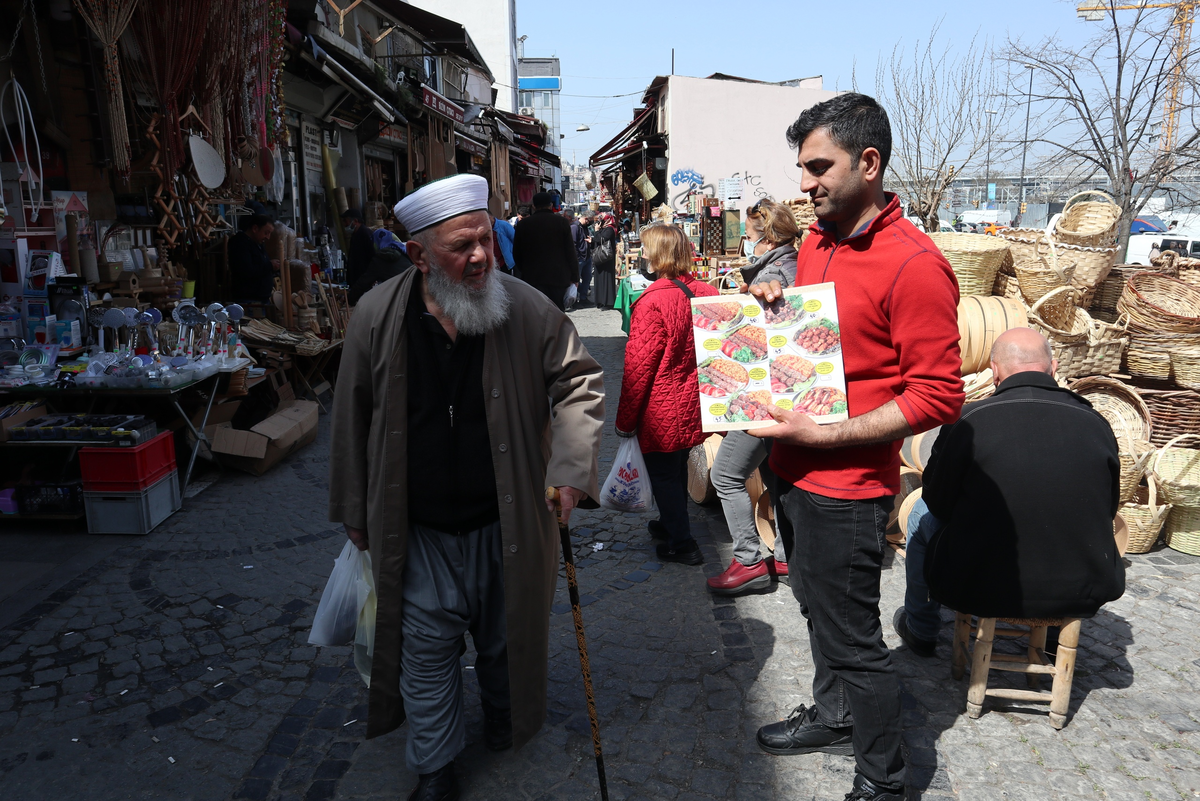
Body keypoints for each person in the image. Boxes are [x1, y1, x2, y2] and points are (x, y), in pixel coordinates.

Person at [328, 174, 605, 801]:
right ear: (419, 254)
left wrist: (569, 468)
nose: (481, 256)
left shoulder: (527, 308)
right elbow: (351, 412)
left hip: (507, 520)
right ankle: (436, 763)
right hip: (417, 525)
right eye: (462, 246)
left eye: (486, 239)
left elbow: (580, 383)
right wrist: (353, 506)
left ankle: (506, 712)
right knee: (425, 650)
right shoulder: (376, 315)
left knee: (507, 636)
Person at [747, 94, 964, 801]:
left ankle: (885, 777)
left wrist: (827, 436)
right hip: (791, 473)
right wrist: (778, 297)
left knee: (854, 642)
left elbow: (937, 396)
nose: (804, 183)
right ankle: (835, 714)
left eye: (818, 167)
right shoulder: (816, 241)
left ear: (868, 163)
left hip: (849, 491)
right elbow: (813, 339)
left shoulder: (916, 266)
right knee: (813, 607)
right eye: (802, 167)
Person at [893, 329, 1124, 657]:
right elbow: (1108, 507)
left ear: (995, 371)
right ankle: (1055, 633)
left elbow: (937, 499)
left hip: (982, 584)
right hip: (1081, 586)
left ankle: (921, 628)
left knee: (918, 513)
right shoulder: (1096, 422)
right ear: (1053, 367)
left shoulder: (970, 420)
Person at [707, 198, 801, 595]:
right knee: (777, 475)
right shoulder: (790, 264)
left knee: (725, 475)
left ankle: (748, 561)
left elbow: (769, 338)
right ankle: (782, 554)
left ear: (768, 236)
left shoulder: (777, 271)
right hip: (786, 393)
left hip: (763, 395)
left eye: (748, 235)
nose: (746, 242)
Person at [615, 224, 719, 565]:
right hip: (697, 401)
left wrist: (625, 420)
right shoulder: (707, 292)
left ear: (659, 254)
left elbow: (638, 367)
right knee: (675, 468)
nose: (642, 254)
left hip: (663, 406)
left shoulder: (653, 301)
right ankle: (669, 522)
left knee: (663, 472)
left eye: (646, 248)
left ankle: (682, 543)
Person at [512, 192, 579, 310]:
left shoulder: (523, 225)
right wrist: (575, 277)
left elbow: (517, 253)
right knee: (557, 314)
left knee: (536, 314)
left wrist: (525, 270)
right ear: (551, 205)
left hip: (533, 278)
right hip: (558, 277)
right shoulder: (561, 222)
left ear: (534, 206)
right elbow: (570, 251)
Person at [348, 228, 413, 306]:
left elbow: (364, 282)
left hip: (401, 299)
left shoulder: (381, 258)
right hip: (414, 293)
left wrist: (349, 299)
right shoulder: (404, 252)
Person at [228, 214, 277, 304]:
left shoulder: (258, 244)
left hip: (261, 299)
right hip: (249, 300)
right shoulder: (240, 244)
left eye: (270, 233)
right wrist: (270, 265)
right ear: (255, 229)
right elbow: (246, 270)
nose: (268, 237)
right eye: (266, 232)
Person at [591, 212, 619, 310]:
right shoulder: (604, 229)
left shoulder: (610, 229)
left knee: (606, 279)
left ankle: (608, 302)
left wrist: (596, 231)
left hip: (606, 258)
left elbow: (601, 239)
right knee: (599, 278)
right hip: (600, 257)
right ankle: (600, 301)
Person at [341, 208, 376, 288]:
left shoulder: (365, 234)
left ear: (355, 221)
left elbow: (372, 258)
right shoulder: (355, 235)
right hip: (357, 281)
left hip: (364, 282)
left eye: (346, 221)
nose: (344, 224)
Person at [489, 200, 517, 275]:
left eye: (489, 218)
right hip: (493, 263)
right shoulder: (484, 229)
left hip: (505, 262)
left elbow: (515, 240)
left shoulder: (503, 225)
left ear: (492, 217)